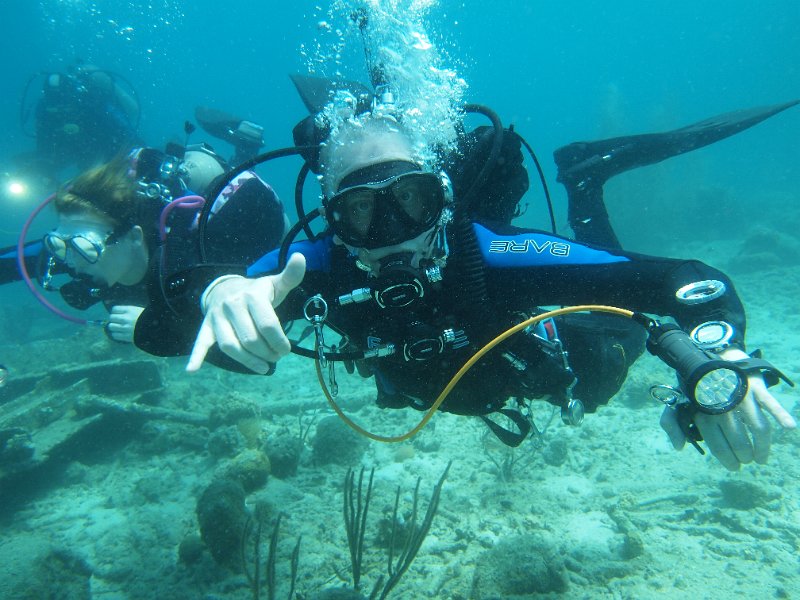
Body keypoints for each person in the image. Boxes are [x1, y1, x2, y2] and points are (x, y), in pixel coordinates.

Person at [134, 83, 796, 471]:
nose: (392, 231)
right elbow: (173, 327)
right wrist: (217, 289)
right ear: (332, 219)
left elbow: (682, 279)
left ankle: (586, 181)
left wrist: (714, 354)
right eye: (361, 210)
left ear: (442, 198)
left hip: (552, 368)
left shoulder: (495, 253)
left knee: (607, 360)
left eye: (411, 200)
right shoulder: (312, 269)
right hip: (464, 387)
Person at [6, 143, 289, 343]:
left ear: (133, 237)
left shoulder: (192, 258)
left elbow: (256, 334)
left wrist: (150, 331)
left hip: (246, 229)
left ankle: (243, 148)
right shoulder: (80, 250)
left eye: (85, 247)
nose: (70, 260)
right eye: (58, 243)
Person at [17, 63, 141, 185]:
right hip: (71, 151)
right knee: (22, 164)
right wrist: (45, 170)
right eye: (53, 104)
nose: (59, 109)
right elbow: (43, 142)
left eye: (63, 104)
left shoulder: (93, 103)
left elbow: (126, 132)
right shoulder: (44, 109)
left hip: (106, 149)